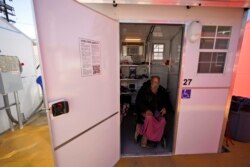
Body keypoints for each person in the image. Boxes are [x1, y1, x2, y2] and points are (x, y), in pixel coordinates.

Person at [135, 76, 167, 147]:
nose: (156, 84)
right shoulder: (143, 90)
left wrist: (164, 108)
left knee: (163, 120)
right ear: (151, 82)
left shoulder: (161, 91)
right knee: (149, 118)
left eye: (158, 83)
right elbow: (139, 102)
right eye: (155, 82)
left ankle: (155, 138)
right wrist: (146, 110)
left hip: (156, 112)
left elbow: (164, 102)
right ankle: (145, 136)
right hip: (144, 110)